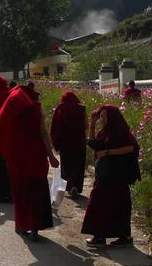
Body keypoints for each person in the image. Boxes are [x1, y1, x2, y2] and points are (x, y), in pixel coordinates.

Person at [0, 85, 59, 241]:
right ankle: (35, 228)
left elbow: (2, 130)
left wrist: (7, 151)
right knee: (37, 191)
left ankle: (22, 225)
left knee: (21, 192)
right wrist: (52, 156)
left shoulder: (13, 109)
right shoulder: (36, 109)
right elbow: (43, 133)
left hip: (18, 155)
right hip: (36, 155)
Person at [81, 105, 140, 248]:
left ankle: (101, 236)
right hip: (106, 174)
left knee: (103, 204)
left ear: (112, 117)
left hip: (117, 174)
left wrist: (108, 152)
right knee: (114, 204)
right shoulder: (105, 132)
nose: (102, 119)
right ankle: (121, 235)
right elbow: (94, 144)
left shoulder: (120, 131)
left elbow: (132, 147)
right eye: (101, 116)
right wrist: (92, 124)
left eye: (105, 116)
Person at [50, 91, 87, 197]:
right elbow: (86, 125)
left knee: (67, 165)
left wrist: (55, 143)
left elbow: (55, 127)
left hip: (65, 143)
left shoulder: (60, 109)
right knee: (78, 165)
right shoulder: (82, 108)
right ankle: (76, 186)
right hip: (79, 142)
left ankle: (70, 187)